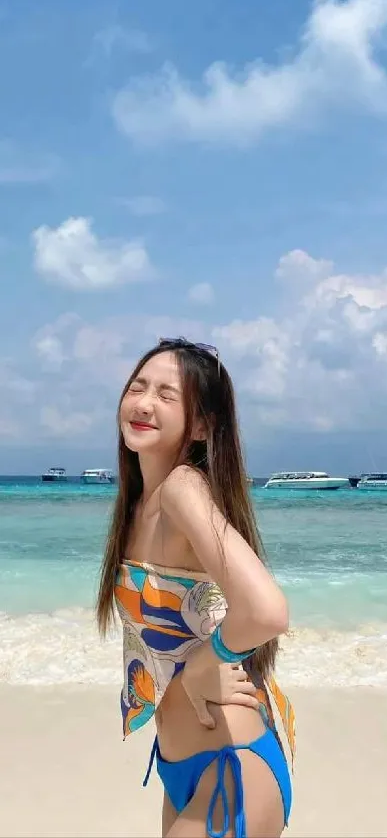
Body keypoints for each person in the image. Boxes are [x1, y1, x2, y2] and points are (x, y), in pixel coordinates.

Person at [97, 337, 295, 838]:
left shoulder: (184, 488)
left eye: (167, 395)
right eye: (138, 386)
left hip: (231, 767)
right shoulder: (141, 504)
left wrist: (210, 659)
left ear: (203, 425)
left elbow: (267, 611)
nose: (143, 402)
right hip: (180, 767)